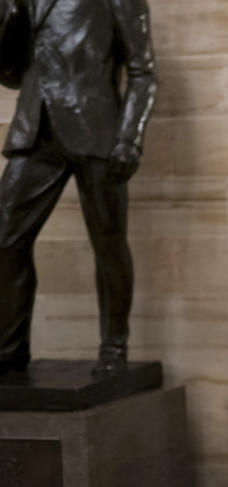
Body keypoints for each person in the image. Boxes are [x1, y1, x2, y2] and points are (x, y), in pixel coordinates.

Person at [0, 0, 157, 376]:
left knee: (108, 243)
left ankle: (114, 347)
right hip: (35, 130)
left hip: (97, 130)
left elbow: (143, 71)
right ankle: (10, 350)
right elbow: (11, 73)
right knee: (4, 238)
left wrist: (130, 139)